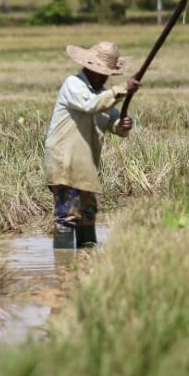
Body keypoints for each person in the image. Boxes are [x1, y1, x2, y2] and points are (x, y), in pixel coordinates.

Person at [44, 41, 140, 249]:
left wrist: (123, 124)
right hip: (64, 160)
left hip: (84, 164)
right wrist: (123, 89)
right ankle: (63, 268)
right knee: (67, 215)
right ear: (89, 68)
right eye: (101, 72)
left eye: (107, 74)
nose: (103, 77)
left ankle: (86, 260)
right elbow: (90, 105)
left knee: (87, 214)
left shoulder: (102, 94)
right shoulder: (74, 85)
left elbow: (113, 122)